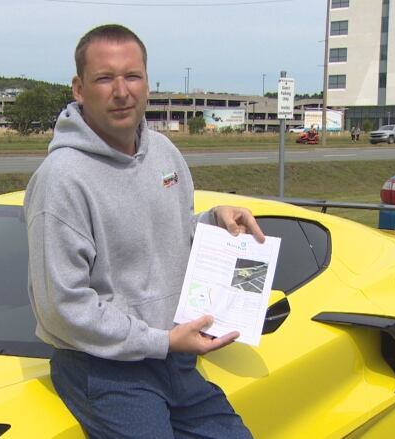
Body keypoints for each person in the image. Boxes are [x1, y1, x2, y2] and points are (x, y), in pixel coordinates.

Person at [24, 24, 263, 438]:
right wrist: (163, 342)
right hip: (106, 372)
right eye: (105, 78)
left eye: (132, 76)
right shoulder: (61, 180)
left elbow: (171, 233)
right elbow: (62, 307)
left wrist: (214, 222)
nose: (122, 91)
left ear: (147, 84)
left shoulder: (164, 153)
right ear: (79, 89)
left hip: (174, 359)